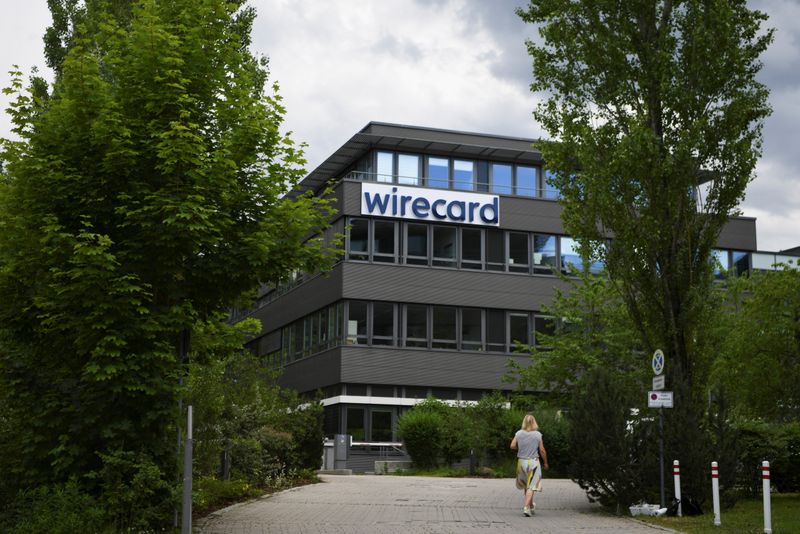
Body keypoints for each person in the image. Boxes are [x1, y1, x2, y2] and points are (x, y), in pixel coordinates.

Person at [510, 413, 549, 517]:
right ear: (534, 422)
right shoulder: (537, 434)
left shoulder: (518, 433)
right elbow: (542, 450)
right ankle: (526, 508)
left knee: (526, 486)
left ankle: (531, 505)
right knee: (532, 486)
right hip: (533, 462)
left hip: (521, 462)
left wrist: (521, 449)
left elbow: (512, 446)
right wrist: (545, 462)